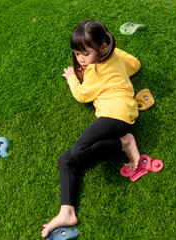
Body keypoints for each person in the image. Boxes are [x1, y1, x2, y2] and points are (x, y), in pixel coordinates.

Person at [41, 19, 142, 238]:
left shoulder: (94, 71)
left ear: (103, 47)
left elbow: (82, 95)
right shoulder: (114, 58)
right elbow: (135, 64)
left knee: (79, 151)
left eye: (84, 54)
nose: (80, 59)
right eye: (77, 54)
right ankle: (66, 211)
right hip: (121, 114)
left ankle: (125, 142)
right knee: (65, 160)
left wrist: (70, 78)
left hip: (116, 115)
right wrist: (113, 53)